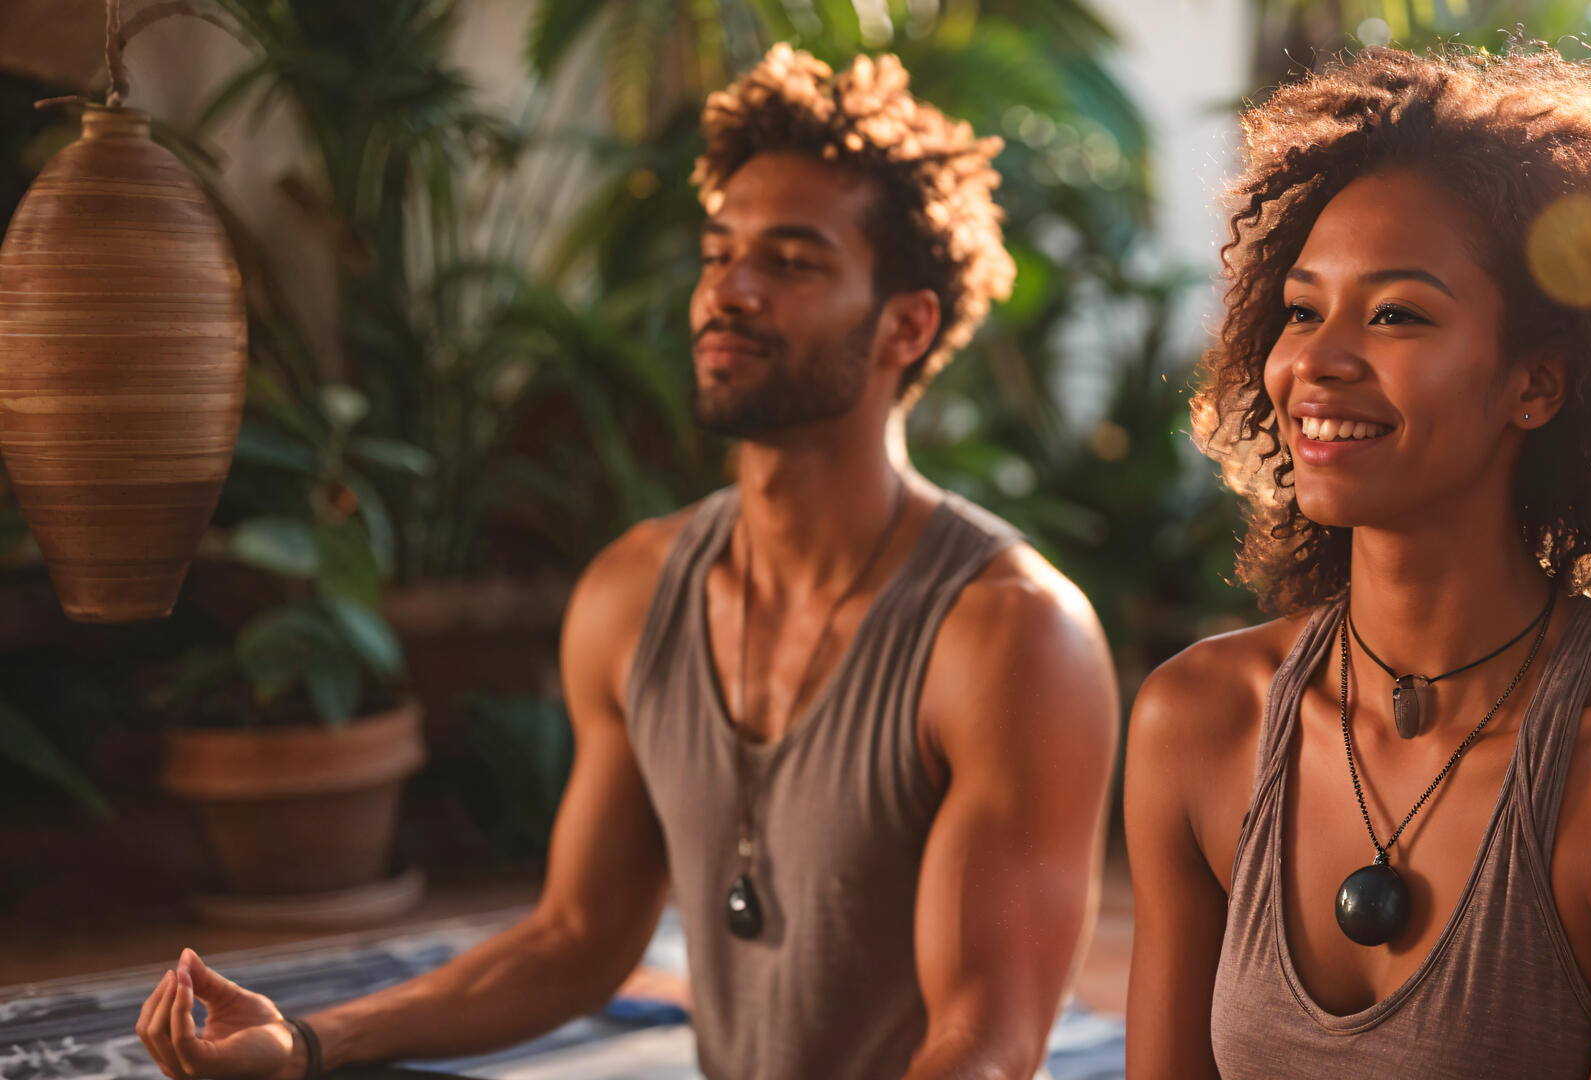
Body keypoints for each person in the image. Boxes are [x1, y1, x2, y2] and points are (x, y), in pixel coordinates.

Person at [135, 44, 1119, 1080]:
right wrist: (308, 1043)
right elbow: (575, 937)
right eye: (718, 250)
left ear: (905, 326)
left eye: (790, 261)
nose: (728, 290)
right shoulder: (633, 592)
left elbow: (988, 1044)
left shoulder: (1011, 635)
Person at [1123, 43, 1591, 1079]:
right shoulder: (1201, 724)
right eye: (1303, 309)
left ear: (1535, 386)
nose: (1314, 361)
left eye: (1397, 313)